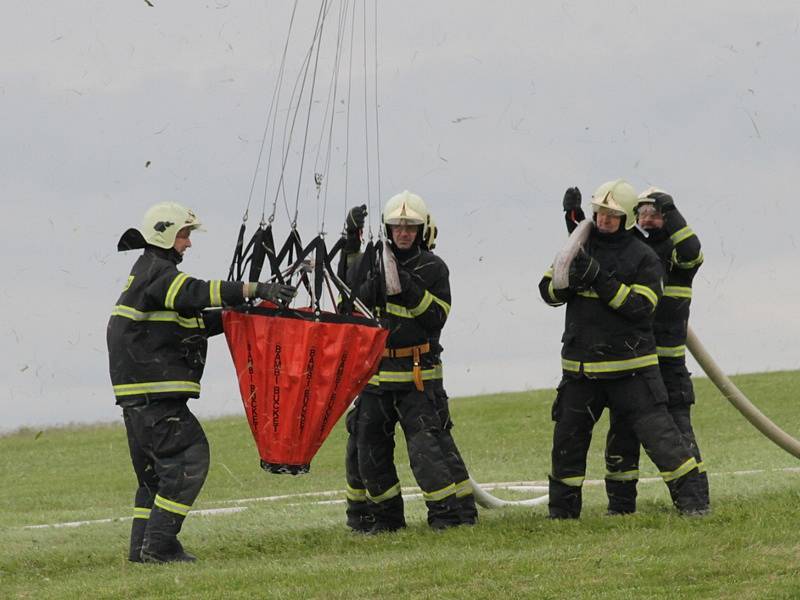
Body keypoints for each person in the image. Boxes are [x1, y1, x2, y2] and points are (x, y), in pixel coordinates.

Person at [108, 202, 295, 563]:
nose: (188, 244)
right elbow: (195, 292)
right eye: (184, 235)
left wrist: (232, 316)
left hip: (138, 401)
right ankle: (160, 546)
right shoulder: (158, 274)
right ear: (164, 234)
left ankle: (141, 549)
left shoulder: (148, 277)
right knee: (188, 459)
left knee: (154, 479)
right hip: (155, 399)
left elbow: (189, 322)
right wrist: (254, 289)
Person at [540, 179, 707, 518]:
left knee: (663, 441)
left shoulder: (644, 257)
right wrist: (569, 276)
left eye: (612, 215)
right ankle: (563, 515)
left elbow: (641, 307)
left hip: (631, 372)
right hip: (581, 372)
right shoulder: (579, 248)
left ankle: (695, 506)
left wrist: (598, 278)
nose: (603, 220)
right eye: (599, 213)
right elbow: (547, 291)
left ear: (626, 218)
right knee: (567, 446)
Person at [341, 206, 477, 532]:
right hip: (377, 377)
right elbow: (347, 297)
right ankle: (385, 520)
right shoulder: (372, 265)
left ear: (421, 230)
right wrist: (350, 246)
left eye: (410, 227)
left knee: (426, 450)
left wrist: (404, 284)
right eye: (397, 227)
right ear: (388, 230)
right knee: (368, 446)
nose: (403, 233)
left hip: (418, 377)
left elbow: (436, 317)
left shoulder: (433, 268)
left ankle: (450, 516)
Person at [602, 188, 709, 514]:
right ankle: (620, 508)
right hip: (632, 361)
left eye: (656, 212)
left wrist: (670, 207)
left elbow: (691, 249)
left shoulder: (679, 255)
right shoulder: (633, 252)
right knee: (622, 432)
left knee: (678, 433)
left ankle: (696, 502)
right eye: (643, 211)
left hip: (668, 363)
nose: (648, 217)